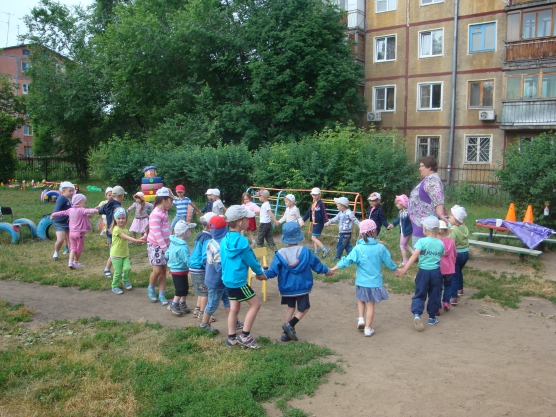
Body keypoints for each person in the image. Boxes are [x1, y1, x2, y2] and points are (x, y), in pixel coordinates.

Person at [262, 222, 332, 342]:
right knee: (304, 308)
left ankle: (285, 334)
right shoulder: (305, 251)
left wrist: (264, 275)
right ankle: (290, 325)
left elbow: (273, 270)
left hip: (287, 288)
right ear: (298, 235)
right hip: (302, 286)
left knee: (290, 308)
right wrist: (326, 271)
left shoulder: (280, 254)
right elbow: (316, 265)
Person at [330, 220, 396, 337]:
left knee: (361, 299)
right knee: (370, 305)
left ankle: (361, 319)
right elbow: (388, 262)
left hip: (361, 282)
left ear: (362, 233)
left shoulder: (358, 248)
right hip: (374, 283)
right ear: (375, 231)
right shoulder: (381, 248)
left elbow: (347, 260)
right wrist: (396, 270)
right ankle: (368, 328)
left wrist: (335, 268)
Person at [220, 205, 266, 349]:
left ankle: (231, 338)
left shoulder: (224, 240)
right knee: (255, 304)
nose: (249, 221)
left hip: (227, 280)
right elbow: (251, 260)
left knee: (234, 308)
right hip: (238, 282)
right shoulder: (243, 242)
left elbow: (223, 259)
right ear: (240, 222)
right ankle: (245, 336)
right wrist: (260, 273)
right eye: (247, 219)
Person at [396, 216, 445, 331]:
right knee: (434, 294)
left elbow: (414, 256)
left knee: (420, 293)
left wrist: (404, 270)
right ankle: (432, 318)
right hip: (436, 273)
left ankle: (417, 314)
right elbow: (441, 255)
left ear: (425, 229)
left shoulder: (421, 242)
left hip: (423, 272)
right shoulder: (440, 243)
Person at [200, 215, 243, 332]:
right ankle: (204, 324)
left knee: (228, 300)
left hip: (219, 280)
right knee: (213, 303)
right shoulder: (220, 246)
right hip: (217, 281)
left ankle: (234, 321)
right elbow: (219, 267)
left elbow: (206, 259)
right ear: (225, 229)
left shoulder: (211, 241)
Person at [50, 193, 98, 268]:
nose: (85, 204)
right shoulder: (81, 210)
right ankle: (76, 262)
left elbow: (61, 213)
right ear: (79, 202)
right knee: (79, 248)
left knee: (73, 247)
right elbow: (88, 211)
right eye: (84, 203)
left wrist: (53, 214)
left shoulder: (70, 210)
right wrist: (95, 210)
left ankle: (70, 262)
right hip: (80, 233)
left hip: (71, 233)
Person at [408, 156, 446, 245]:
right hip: (421, 223)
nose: (419, 168)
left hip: (425, 224)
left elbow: (438, 198)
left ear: (429, 167)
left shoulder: (432, 180)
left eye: (422, 166)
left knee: (423, 253)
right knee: (421, 252)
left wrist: (441, 215)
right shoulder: (429, 179)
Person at [147, 187, 173, 305]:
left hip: (165, 245)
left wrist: (171, 193)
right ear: (164, 200)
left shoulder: (164, 210)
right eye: (170, 200)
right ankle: (151, 288)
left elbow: (166, 229)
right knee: (157, 270)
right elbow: (157, 234)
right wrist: (165, 249)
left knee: (163, 271)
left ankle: (162, 293)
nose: (172, 202)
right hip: (156, 246)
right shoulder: (156, 214)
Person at [109, 208, 146, 294]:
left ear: (126, 219)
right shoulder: (116, 229)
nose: (121, 220)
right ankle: (114, 286)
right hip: (116, 255)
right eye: (119, 218)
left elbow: (128, 240)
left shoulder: (125, 229)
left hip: (124, 254)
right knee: (118, 272)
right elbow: (126, 237)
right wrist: (136, 240)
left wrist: (139, 239)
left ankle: (125, 280)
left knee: (127, 268)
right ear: (115, 219)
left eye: (123, 218)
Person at [165, 220, 196, 315]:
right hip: (179, 270)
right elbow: (187, 259)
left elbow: (167, 254)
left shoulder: (173, 241)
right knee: (180, 289)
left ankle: (182, 303)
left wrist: (169, 258)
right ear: (185, 232)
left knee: (185, 287)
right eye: (190, 230)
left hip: (177, 269)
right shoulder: (182, 246)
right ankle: (174, 304)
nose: (190, 232)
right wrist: (193, 265)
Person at [189, 213, 215, 321]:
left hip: (194, 267)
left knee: (201, 291)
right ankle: (203, 314)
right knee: (205, 292)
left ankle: (197, 309)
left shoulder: (200, 234)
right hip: (200, 268)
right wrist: (210, 269)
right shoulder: (208, 238)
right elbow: (205, 256)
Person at [98, 185, 127, 278]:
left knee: (114, 251)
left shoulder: (108, 203)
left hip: (109, 231)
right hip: (116, 232)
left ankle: (110, 269)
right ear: (122, 196)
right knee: (117, 252)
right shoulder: (118, 207)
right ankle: (110, 269)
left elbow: (100, 211)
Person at [447, 204, 469, 306]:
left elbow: (451, 243)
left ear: (456, 220)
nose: (448, 218)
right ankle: (460, 289)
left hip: (457, 254)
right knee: (459, 271)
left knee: (454, 275)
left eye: (450, 217)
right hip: (466, 254)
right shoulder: (464, 227)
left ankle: (453, 297)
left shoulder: (453, 230)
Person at [300, 188, 330, 258]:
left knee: (313, 238)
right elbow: (308, 213)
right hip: (314, 222)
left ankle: (325, 249)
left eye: (316, 195)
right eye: (313, 195)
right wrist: (303, 220)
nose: (314, 196)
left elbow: (324, 213)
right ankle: (316, 251)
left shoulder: (321, 204)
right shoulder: (313, 204)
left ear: (319, 195)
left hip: (319, 223)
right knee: (315, 237)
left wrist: (326, 221)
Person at [387, 194, 414, 267]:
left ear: (402, 204)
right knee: (405, 244)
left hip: (406, 232)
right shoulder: (401, 212)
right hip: (405, 231)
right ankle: (414, 254)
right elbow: (398, 220)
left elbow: (412, 221)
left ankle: (405, 261)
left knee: (402, 246)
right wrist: (392, 224)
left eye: (397, 203)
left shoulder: (407, 213)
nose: (396, 205)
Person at [51, 181, 75, 261]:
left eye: (72, 191)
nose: (71, 192)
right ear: (63, 191)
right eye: (70, 191)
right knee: (60, 239)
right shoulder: (61, 198)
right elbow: (57, 208)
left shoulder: (71, 198)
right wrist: (54, 215)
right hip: (60, 222)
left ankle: (71, 255)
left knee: (70, 239)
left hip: (69, 222)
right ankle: (56, 252)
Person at [437, 220, 456, 312]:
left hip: (439, 268)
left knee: (438, 288)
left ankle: (438, 307)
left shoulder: (435, 242)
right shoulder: (451, 242)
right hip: (450, 268)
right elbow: (455, 254)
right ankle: (446, 302)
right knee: (448, 285)